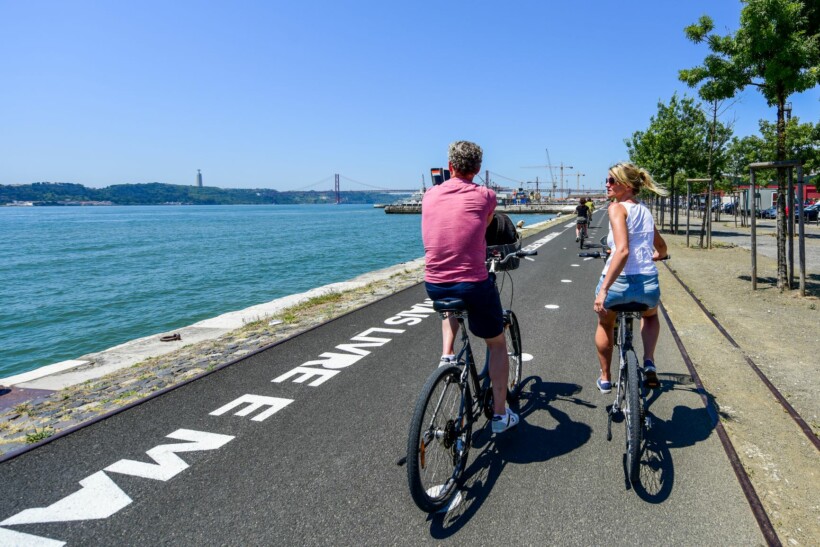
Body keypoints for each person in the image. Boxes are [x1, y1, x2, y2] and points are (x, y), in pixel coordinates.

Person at [421, 140, 518, 434]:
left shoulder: (428, 196)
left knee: (451, 296)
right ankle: (500, 416)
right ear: (477, 169)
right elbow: (486, 224)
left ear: (450, 166)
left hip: (434, 284)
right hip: (473, 284)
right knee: (497, 343)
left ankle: (447, 354)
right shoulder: (485, 195)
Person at [593, 162, 668, 393]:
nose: (607, 185)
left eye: (611, 181)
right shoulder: (645, 210)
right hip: (647, 283)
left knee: (606, 322)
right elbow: (661, 246)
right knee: (651, 315)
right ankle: (648, 361)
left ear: (625, 185)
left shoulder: (616, 208)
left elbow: (623, 250)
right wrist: (659, 256)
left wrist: (604, 289)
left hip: (619, 284)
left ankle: (605, 378)